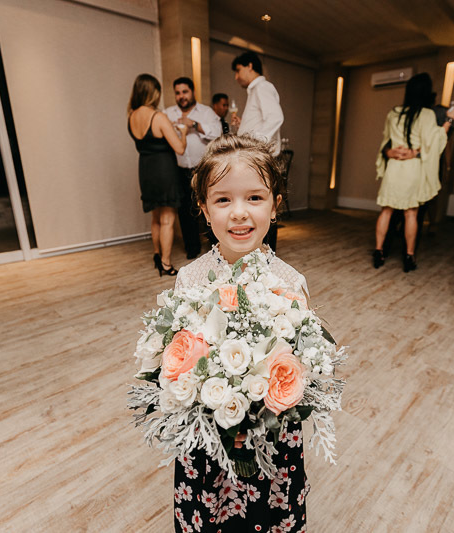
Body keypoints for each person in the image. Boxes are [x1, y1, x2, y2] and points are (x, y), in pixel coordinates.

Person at [172, 135, 308, 532]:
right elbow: (177, 358)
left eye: (254, 198)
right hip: (209, 434)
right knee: (210, 510)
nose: (239, 214)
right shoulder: (190, 279)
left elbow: (304, 364)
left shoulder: (291, 282)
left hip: (271, 436)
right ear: (203, 208)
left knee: (267, 513)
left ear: (275, 205)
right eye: (223, 200)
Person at [373, 73, 454, 272]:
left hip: (394, 167)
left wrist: (392, 151)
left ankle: (378, 252)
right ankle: (409, 257)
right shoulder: (427, 115)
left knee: (386, 211)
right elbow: (434, 142)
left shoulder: (393, 113)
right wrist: (449, 120)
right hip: (412, 168)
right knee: (411, 214)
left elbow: (385, 141)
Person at [127, 73, 187, 277]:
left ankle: (156, 254)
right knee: (168, 220)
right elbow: (179, 148)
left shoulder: (132, 116)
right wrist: (184, 132)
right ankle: (166, 264)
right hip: (164, 170)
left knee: (155, 217)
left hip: (145, 170)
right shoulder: (158, 117)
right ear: (153, 93)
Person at [231, 51, 284, 250]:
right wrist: (243, 126)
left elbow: (276, 118)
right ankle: (258, 253)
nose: (236, 77)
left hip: (261, 159)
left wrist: (254, 148)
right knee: (257, 206)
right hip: (257, 158)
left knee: (264, 208)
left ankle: (266, 257)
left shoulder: (262, 87)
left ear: (250, 66)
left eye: (238, 71)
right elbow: (262, 122)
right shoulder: (255, 90)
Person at [165, 77, 222, 259]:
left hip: (203, 169)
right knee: (185, 210)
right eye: (178, 92)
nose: (181, 96)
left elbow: (218, 133)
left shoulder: (205, 112)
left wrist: (194, 125)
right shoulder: (168, 114)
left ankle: (216, 247)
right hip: (179, 169)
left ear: (193, 92)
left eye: (185, 92)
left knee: (209, 208)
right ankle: (192, 248)